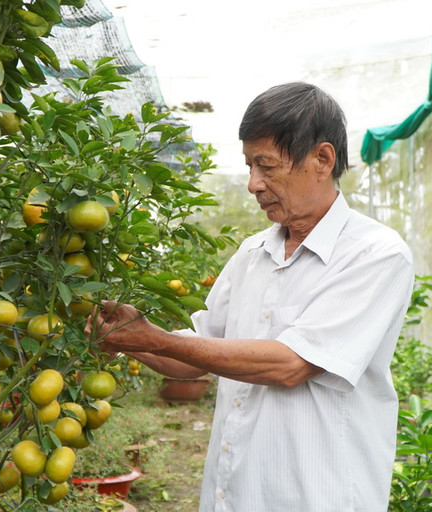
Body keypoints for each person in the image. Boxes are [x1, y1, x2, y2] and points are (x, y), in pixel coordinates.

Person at [86, 82, 414, 511]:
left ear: (322, 159)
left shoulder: (375, 254)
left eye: (266, 165)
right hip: (235, 495)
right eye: (249, 166)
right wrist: (128, 336)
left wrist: (154, 339)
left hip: (317, 497)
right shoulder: (252, 254)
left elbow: (292, 364)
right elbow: (192, 354)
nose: (253, 184)